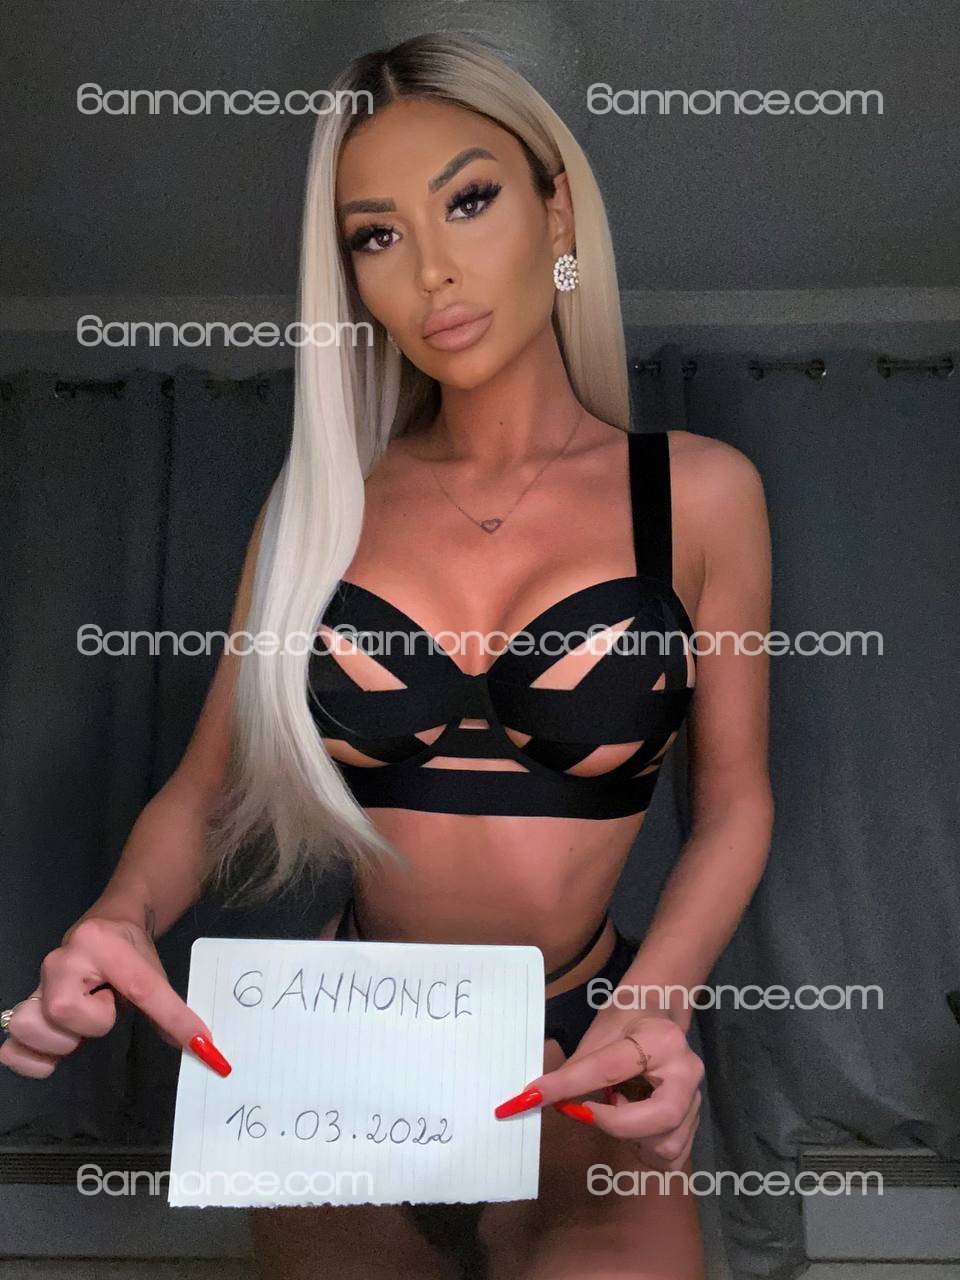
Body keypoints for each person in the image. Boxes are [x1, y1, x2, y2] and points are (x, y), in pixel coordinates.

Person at [0, 32, 773, 1280]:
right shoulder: (320, 508)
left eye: (468, 201)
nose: (431, 271)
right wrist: (117, 918)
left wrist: (659, 995)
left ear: (556, 208)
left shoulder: (698, 493)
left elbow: (734, 800)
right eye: (376, 235)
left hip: (581, 1040)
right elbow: (205, 788)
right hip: (338, 1043)